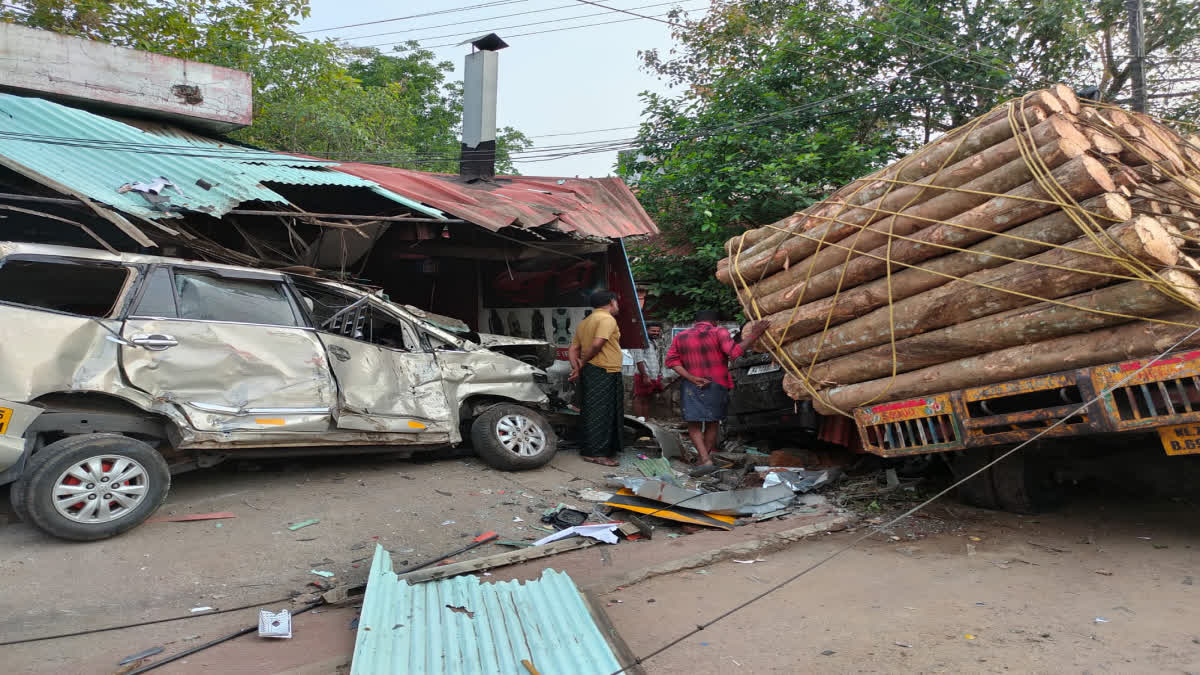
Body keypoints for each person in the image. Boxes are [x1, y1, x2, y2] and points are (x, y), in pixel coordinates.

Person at [665, 310, 769, 469]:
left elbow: (671, 361)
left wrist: (691, 377)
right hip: (717, 383)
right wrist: (754, 334)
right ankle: (705, 460)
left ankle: (704, 460)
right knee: (712, 422)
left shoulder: (681, 336)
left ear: (695, 322)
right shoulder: (719, 331)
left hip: (691, 385)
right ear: (715, 322)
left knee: (694, 424)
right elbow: (734, 353)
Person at [567, 291, 624, 467]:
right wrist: (582, 362)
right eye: (617, 302)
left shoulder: (585, 322)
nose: (617, 305)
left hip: (593, 370)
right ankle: (597, 453)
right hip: (604, 370)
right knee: (602, 412)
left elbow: (573, 349)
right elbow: (598, 344)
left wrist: (577, 368)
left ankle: (591, 449)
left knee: (591, 410)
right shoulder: (606, 319)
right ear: (611, 302)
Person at [632, 321, 667, 418]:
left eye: (657, 331)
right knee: (639, 397)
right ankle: (640, 420)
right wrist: (644, 376)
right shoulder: (640, 341)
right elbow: (639, 360)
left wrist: (658, 375)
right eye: (653, 331)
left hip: (653, 375)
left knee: (647, 397)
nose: (656, 333)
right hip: (643, 375)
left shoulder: (653, 342)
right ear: (646, 330)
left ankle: (646, 420)